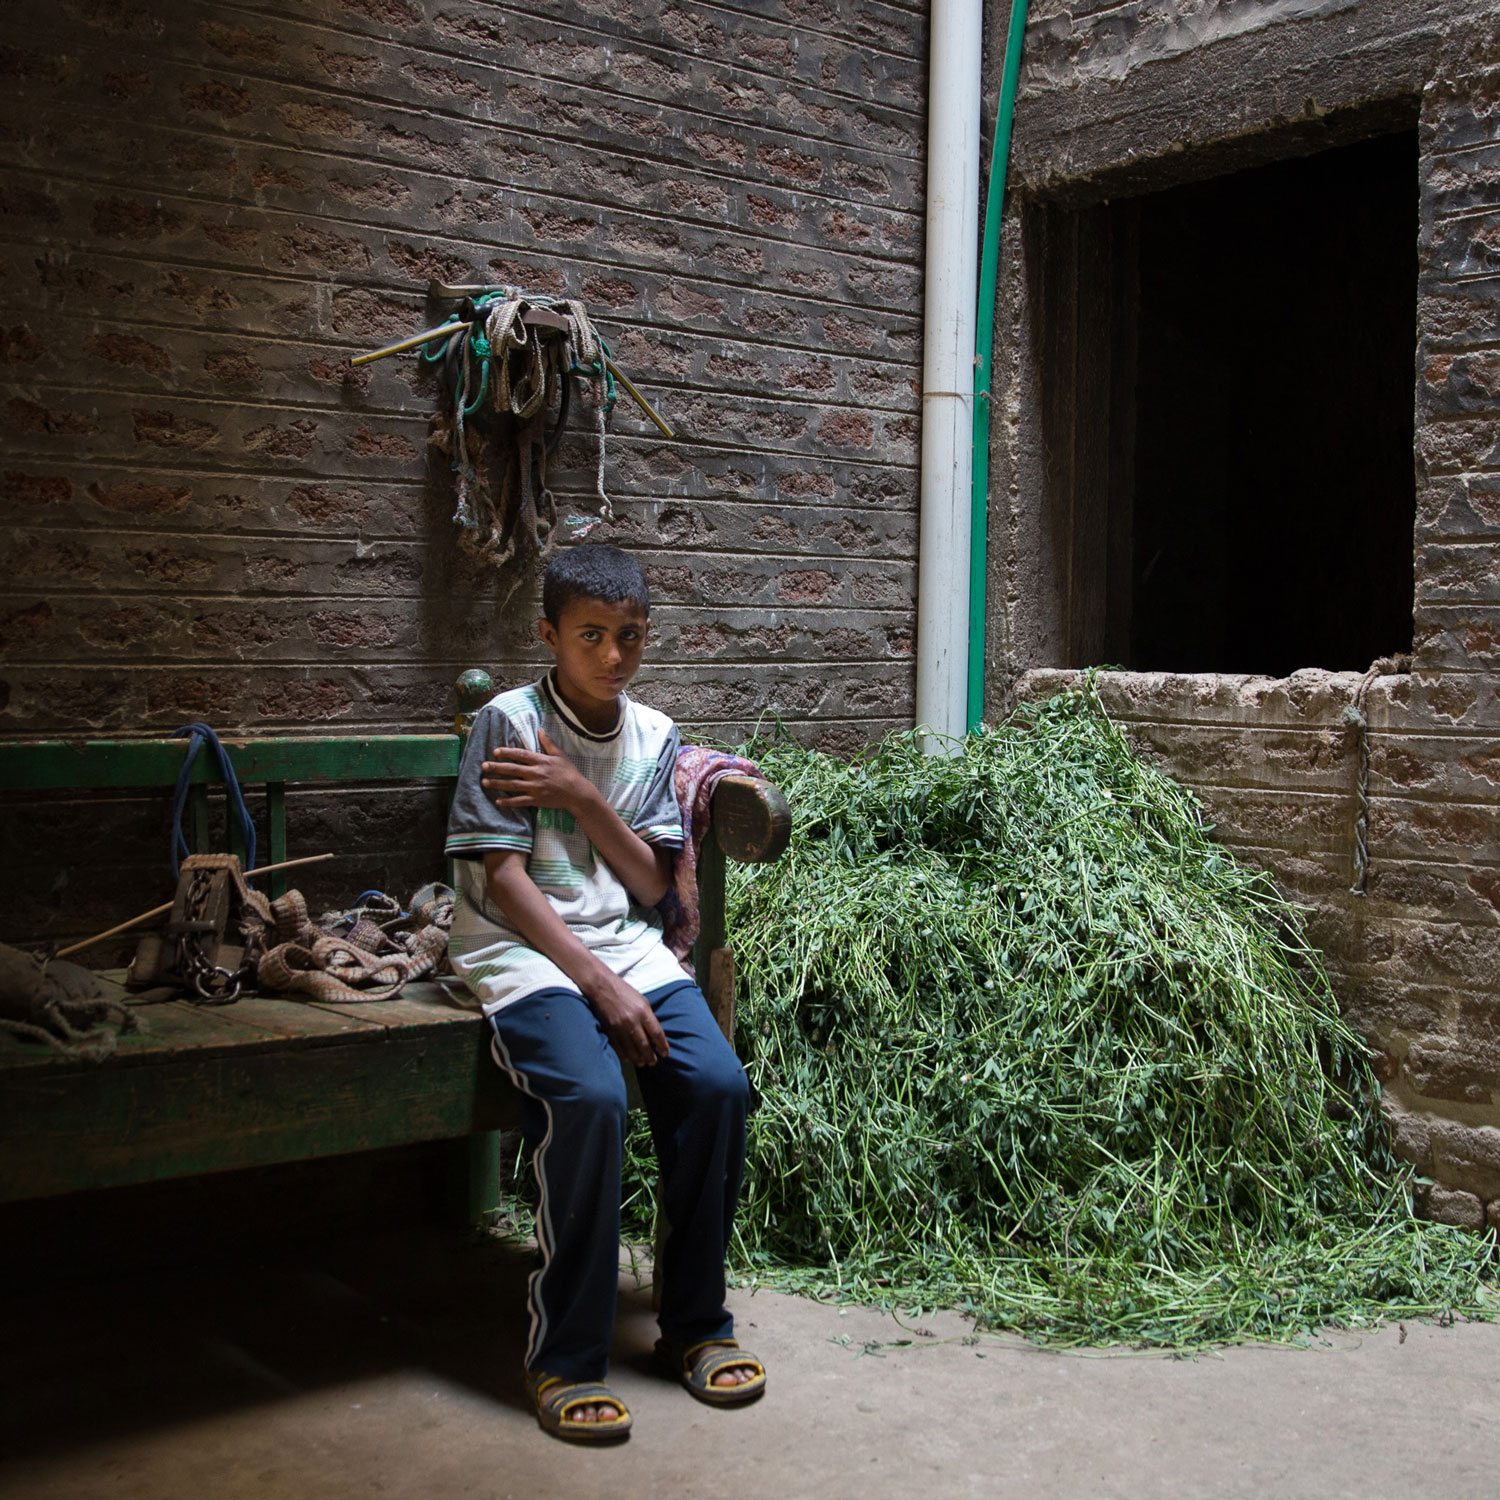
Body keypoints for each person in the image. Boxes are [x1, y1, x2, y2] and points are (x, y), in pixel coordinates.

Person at [444, 543, 765, 1443]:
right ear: (549, 634)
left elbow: (658, 889)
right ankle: (565, 1359)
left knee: (717, 1087)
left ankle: (695, 1328)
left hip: (626, 945)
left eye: (630, 636)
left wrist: (580, 797)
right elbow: (501, 877)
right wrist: (591, 986)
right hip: (520, 951)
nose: (614, 656)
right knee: (589, 1100)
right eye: (592, 636)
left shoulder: (654, 736)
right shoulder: (507, 722)